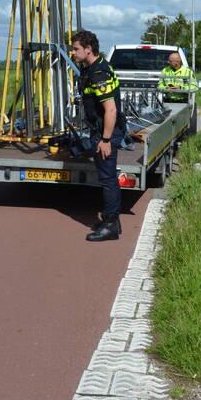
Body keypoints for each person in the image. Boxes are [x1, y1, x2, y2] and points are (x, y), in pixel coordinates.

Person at [72, 30, 127, 242]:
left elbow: (110, 110)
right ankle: (109, 220)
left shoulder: (99, 73)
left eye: (77, 49)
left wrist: (105, 140)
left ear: (88, 49)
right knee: (107, 177)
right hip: (101, 129)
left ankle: (111, 225)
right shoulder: (94, 68)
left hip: (106, 132)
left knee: (108, 179)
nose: (74, 52)